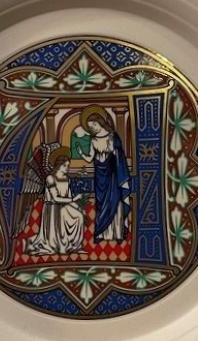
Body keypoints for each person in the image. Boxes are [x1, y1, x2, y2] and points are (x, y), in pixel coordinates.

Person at [77, 106, 131, 242]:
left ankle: (117, 233)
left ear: (99, 122)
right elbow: (90, 158)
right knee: (101, 205)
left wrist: (113, 150)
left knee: (115, 202)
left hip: (112, 176)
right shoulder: (93, 140)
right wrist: (82, 153)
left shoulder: (113, 136)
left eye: (93, 125)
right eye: (90, 127)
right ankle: (101, 233)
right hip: (100, 177)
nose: (92, 129)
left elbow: (119, 155)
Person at [25, 147, 84, 255]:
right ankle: (60, 245)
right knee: (63, 217)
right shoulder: (50, 178)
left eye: (68, 166)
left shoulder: (67, 178)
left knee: (79, 216)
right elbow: (55, 198)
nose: (67, 168)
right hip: (52, 208)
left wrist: (77, 207)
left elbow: (68, 195)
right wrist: (73, 199)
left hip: (64, 206)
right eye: (65, 166)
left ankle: (74, 246)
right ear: (58, 165)